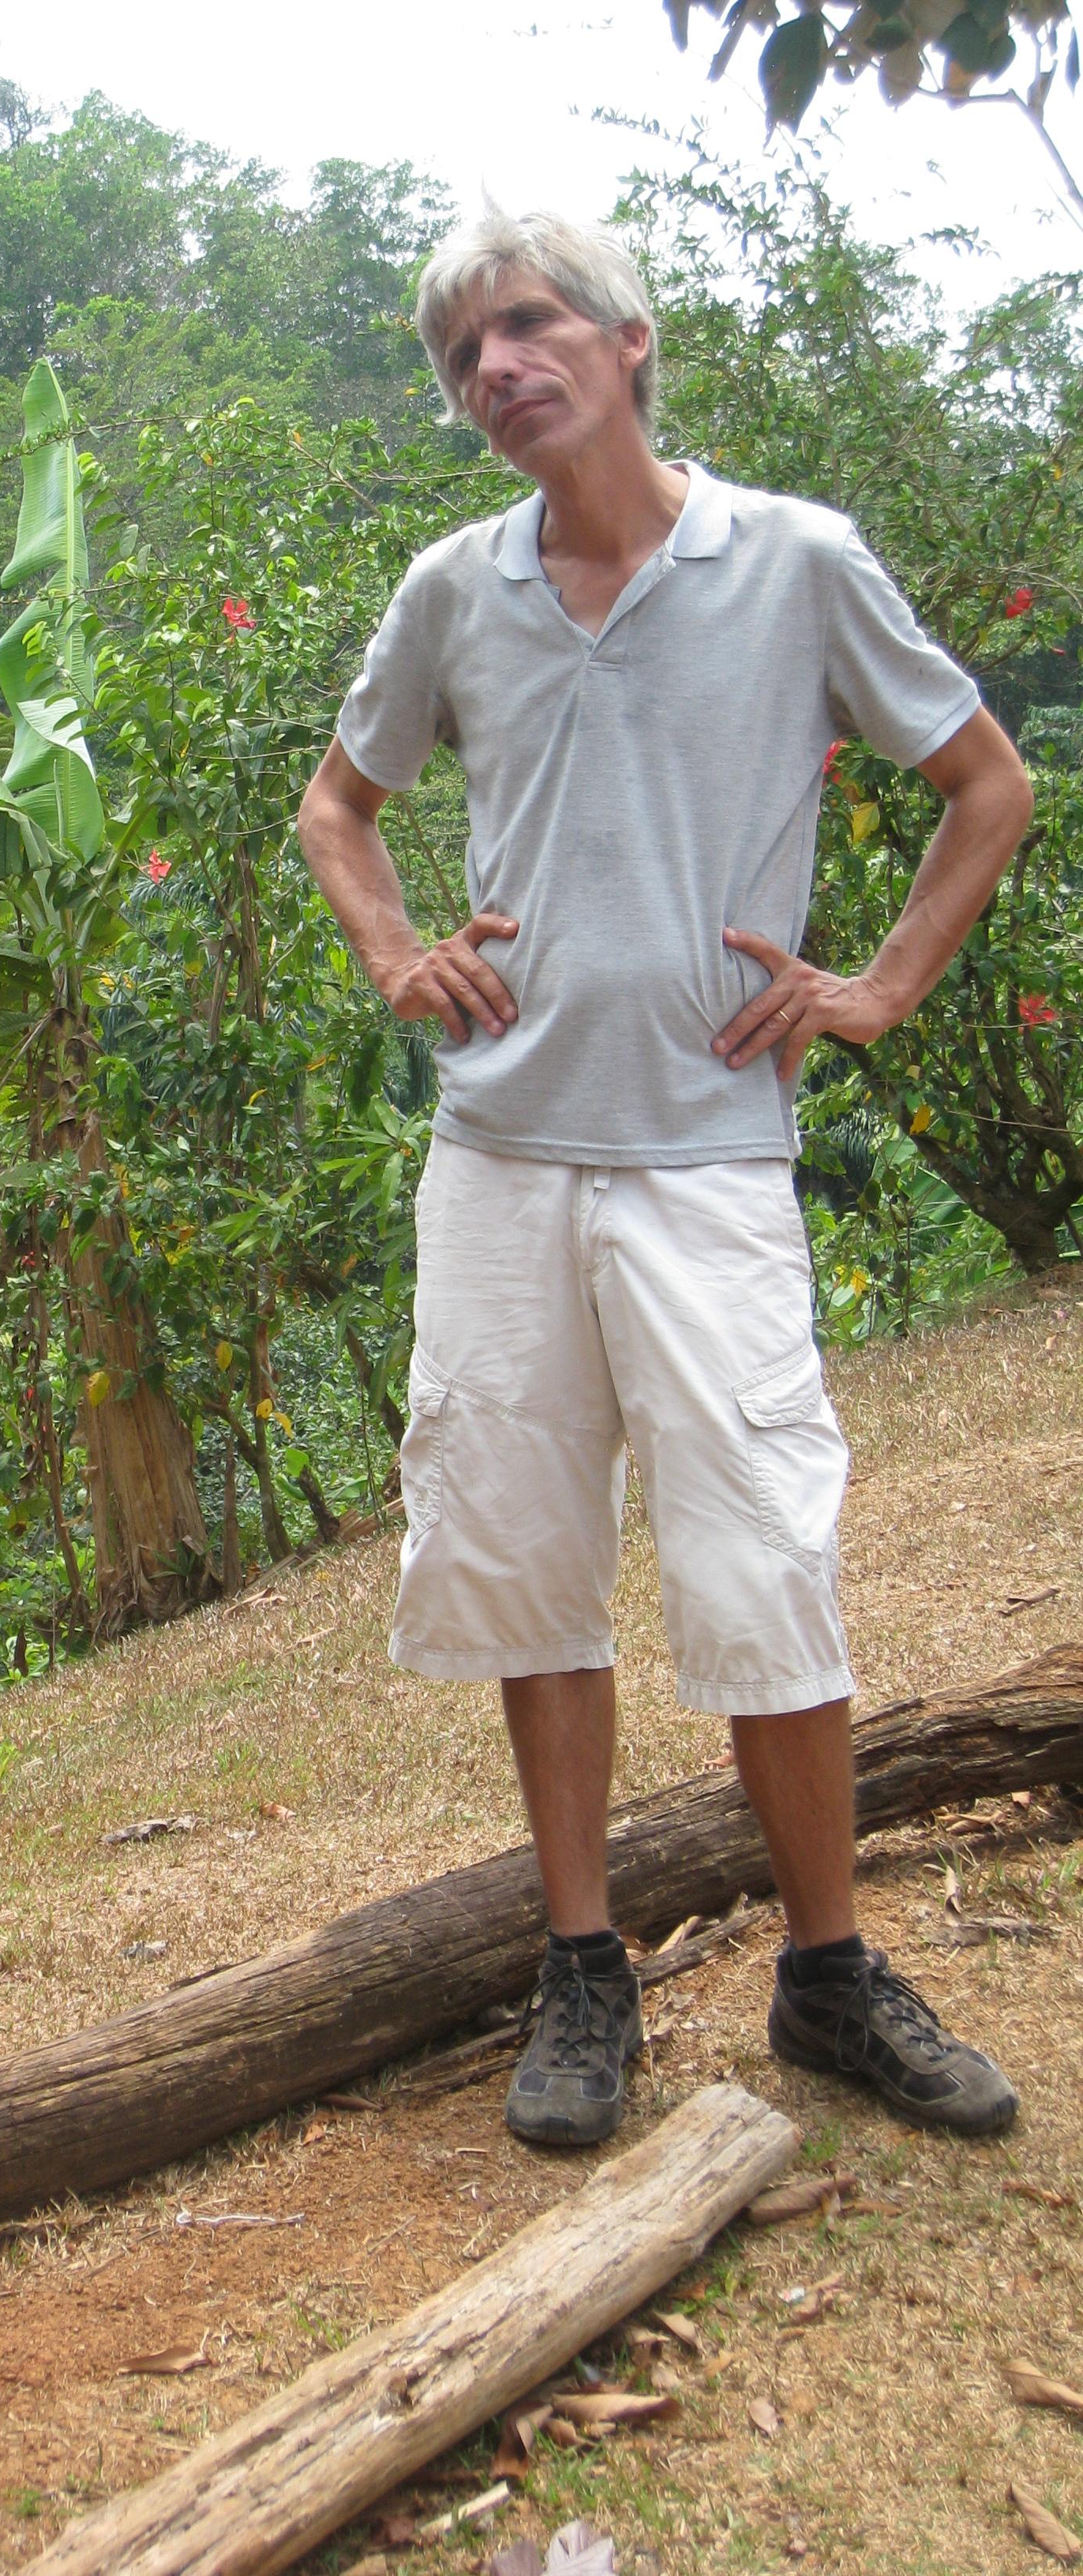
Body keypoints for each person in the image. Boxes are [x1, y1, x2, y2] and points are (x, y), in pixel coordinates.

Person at [298, 211, 1032, 2155]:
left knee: (767, 1555)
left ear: (631, 341)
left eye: (528, 326)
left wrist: (875, 986)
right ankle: (583, 1968)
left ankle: (824, 1969)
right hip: (503, 1153)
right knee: (535, 1565)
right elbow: (337, 803)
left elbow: (989, 782)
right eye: (464, 352)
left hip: (709, 1152)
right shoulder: (455, 589)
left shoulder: (790, 559)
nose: (497, 369)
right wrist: (395, 956)